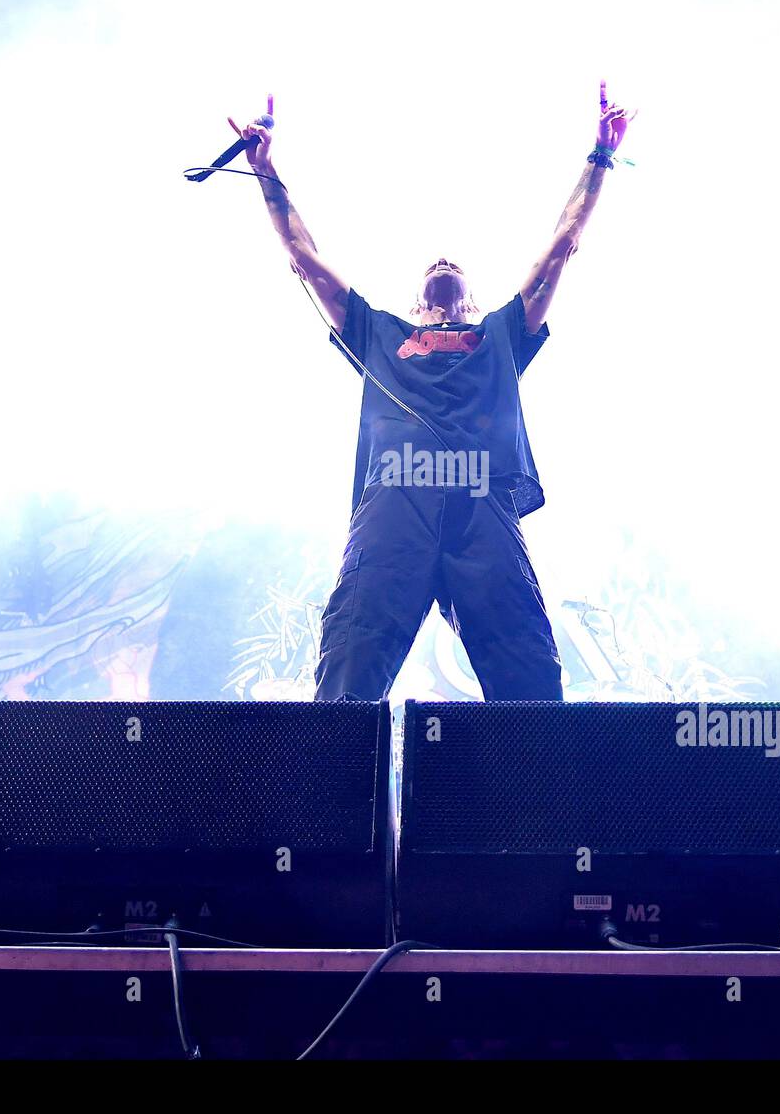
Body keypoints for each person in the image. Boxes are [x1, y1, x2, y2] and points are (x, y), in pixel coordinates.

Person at [230, 83, 635, 701]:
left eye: (454, 266)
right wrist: (265, 171)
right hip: (397, 500)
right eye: (431, 266)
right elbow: (302, 255)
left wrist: (600, 157)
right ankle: (334, 783)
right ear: (419, 301)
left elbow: (562, 247)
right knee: (353, 653)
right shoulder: (378, 333)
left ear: (470, 301)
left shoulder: (501, 334)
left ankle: (539, 787)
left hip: (483, 500)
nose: (443, 258)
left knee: (523, 654)